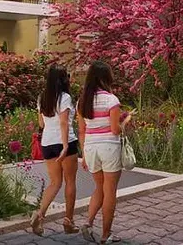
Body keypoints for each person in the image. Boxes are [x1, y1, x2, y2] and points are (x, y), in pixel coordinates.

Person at [77, 61, 130, 243]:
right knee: (110, 192)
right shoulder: (111, 100)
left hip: (90, 148)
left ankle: (89, 223)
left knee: (99, 188)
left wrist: (84, 154)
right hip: (108, 147)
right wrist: (126, 121)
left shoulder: (82, 101)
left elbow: (82, 130)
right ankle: (106, 235)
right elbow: (115, 130)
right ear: (106, 77)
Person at [27, 65, 80, 236]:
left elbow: (41, 124)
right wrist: (65, 146)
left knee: (54, 182)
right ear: (63, 79)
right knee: (70, 181)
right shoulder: (64, 97)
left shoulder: (42, 98)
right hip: (65, 143)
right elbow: (64, 123)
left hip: (47, 143)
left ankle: (40, 214)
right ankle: (68, 221)